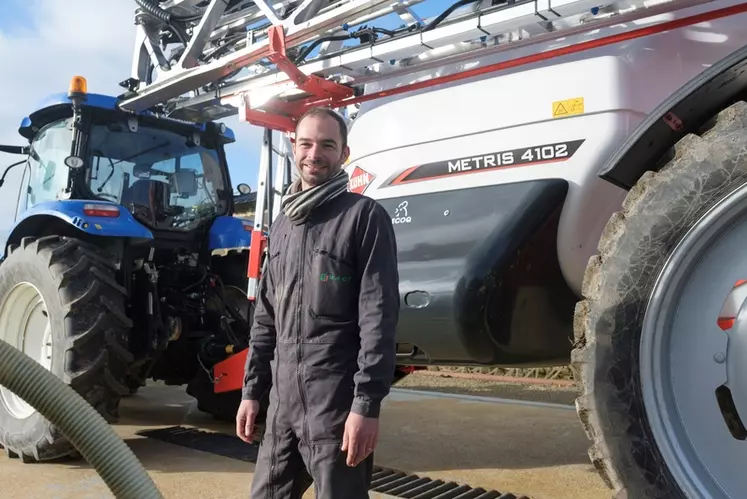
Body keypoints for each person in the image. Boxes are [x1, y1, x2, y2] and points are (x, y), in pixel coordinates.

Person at [235, 106, 400, 499]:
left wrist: (366, 406)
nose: (315, 154)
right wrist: (251, 392)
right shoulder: (283, 225)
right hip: (282, 404)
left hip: (335, 404)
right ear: (293, 147)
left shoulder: (364, 218)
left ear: (344, 153)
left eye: (327, 145)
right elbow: (266, 320)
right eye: (306, 143)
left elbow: (378, 318)